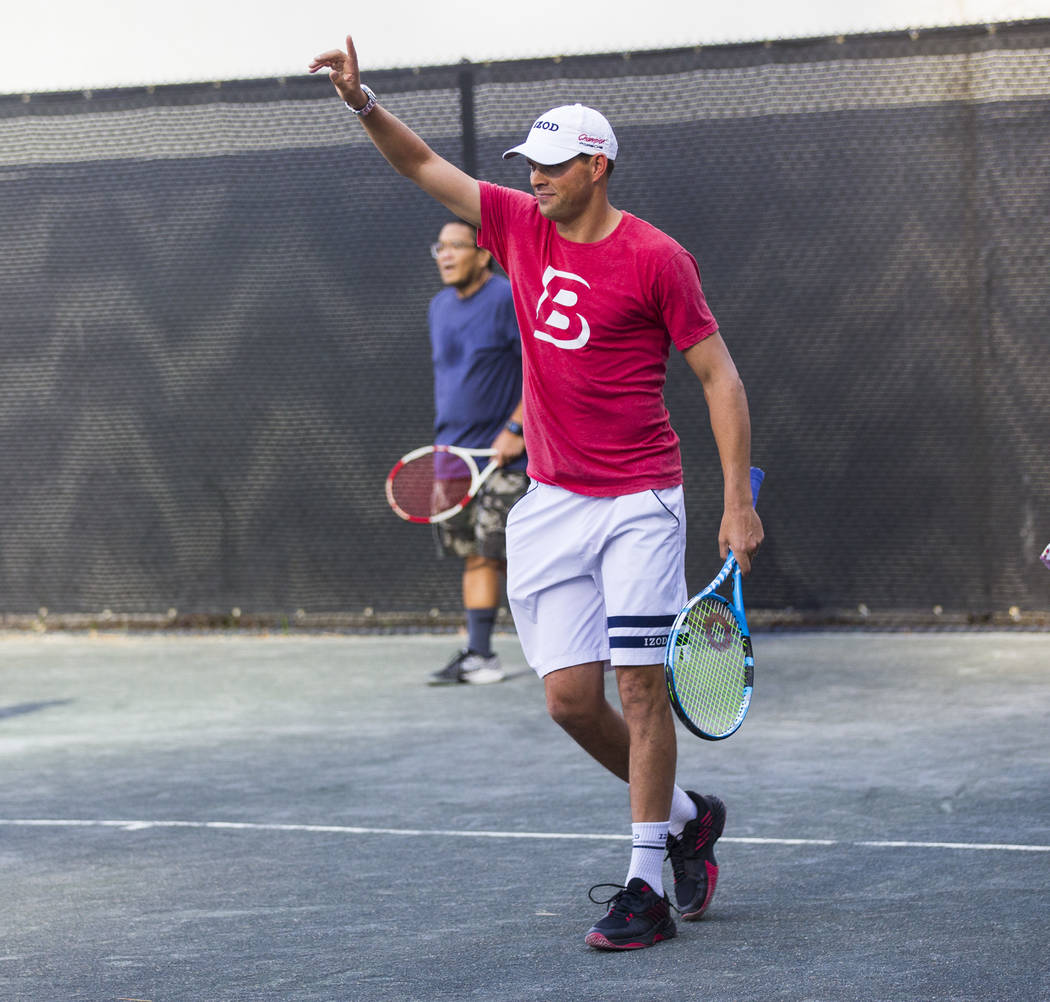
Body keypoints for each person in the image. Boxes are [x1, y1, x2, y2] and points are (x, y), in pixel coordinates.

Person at [309, 36, 764, 951]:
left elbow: (719, 376)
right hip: (551, 502)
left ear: (597, 166)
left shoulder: (658, 259)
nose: (538, 177)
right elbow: (425, 166)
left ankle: (644, 887)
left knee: (640, 691)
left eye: (554, 166)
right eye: (532, 165)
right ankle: (684, 819)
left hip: (641, 498)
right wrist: (363, 103)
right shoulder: (519, 224)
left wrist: (735, 502)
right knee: (568, 701)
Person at [425, 219, 528, 685]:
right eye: (439, 248)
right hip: (451, 455)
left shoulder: (507, 298)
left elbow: (540, 367)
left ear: (483, 254)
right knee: (474, 555)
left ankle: (592, 645)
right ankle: (480, 655)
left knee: (505, 554)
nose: (445, 256)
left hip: (503, 457)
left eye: (456, 247)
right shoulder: (438, 307)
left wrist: (516, 429)